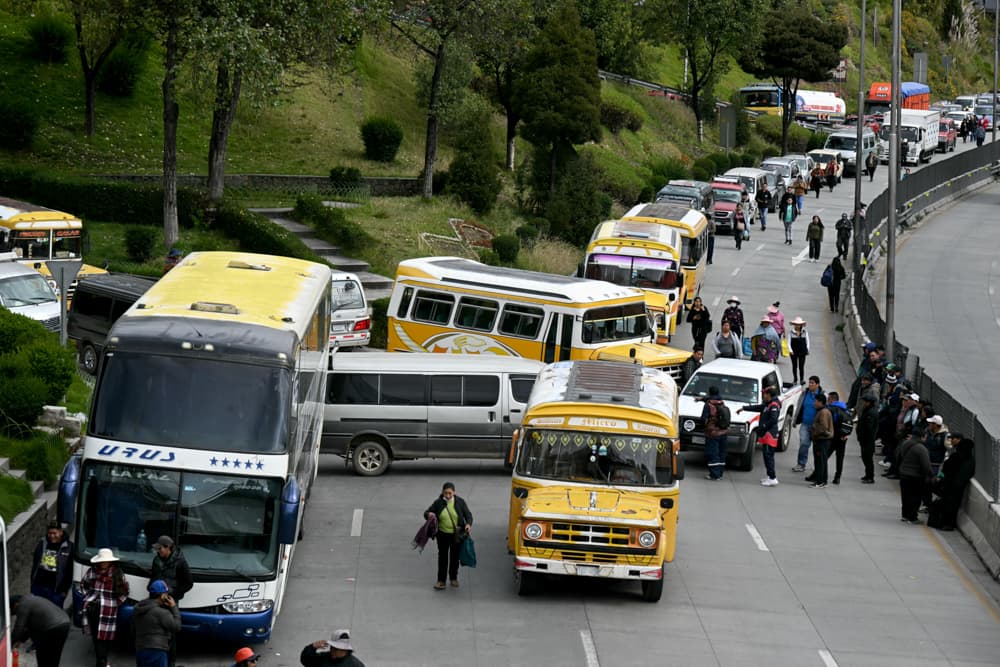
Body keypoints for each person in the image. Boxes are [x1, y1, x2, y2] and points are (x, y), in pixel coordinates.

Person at [81, 547, 130, 667]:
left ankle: (102, 662)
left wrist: (114, 603)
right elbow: (83, 585)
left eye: (105, 561)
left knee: (106, 638)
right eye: (101, 561)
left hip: (108, 610)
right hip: (93, 608)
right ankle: (102, 663)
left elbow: (124, 592)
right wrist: (89, 597)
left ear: (110, 561)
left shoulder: (117, 574)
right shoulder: (92, 571)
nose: (103, 563)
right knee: (97, 638)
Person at [424, 482, 472, 590]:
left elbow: (468, 515)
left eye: (450, 493)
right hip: (442, 535)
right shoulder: (438, 503)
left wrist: (468, 524)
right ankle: (441, 581)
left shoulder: (460, 502)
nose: (448, 496)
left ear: (454, 492)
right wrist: (429, 514)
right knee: (443, 557)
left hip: (456, 535)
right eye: (445, 493)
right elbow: (426, 512)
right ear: (442, 492)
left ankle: (453, 578)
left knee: (454, 558)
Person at [10, 593, 71, 667]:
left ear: (16, 604)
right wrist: (21, 640)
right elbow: (30, 627)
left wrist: (10, 643)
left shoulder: (23, 605)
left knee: (42, 656)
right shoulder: (31, 600)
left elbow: (18, 628)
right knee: (54, 657)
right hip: (64, 623)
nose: (16, 613)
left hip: (52, 628)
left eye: (14, 611)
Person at [132, 580, 181, 667]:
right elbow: (177, 626)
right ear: (162, 596)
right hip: (158, 650)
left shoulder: (139, 608)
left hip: (140, 649)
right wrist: (173, 607)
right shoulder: (162, 613)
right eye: (166, 593)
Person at [739, 386, 781, 486]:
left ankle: (772, 478)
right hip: (766, 433)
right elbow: (758, 407)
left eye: (764, 394)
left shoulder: (773, 405)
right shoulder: (768, 404)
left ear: (769, 395)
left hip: (769, 434)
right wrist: (744, 408)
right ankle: (769, 476)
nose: (763, 396)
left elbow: (773, 419)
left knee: (768, 456)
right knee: (766, 456)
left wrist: (764, 426)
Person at [931, 438, 975, 531]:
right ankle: (950, 524)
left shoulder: (955, 456)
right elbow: (970, 473)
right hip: (959, 487)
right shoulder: (970, 459)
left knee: (946, 504)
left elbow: (945, 469)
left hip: (948, 485)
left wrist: (940, 478)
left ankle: (942, 523)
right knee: (954, 505)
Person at [30, 520, 73, 609]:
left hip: (56, 591)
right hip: (38, 587)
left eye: (54, 533)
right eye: (50, 533)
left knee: (54, 616)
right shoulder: (42, 543)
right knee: (36, 612)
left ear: (60, 532)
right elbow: (35, 563)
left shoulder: (69, 547)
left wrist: (64, 591)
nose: (52, 536)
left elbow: (70, 571)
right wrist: (32, 583)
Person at [897, 434, 932, 524]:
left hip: (904, 473)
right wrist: (930, 475)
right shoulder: (921, 448)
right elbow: (926, 465)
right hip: (916, 476)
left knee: (905, 496)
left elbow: (898, 455)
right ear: (922, 437)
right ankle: (912, 517)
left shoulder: (905, 443)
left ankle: (905, 515)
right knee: (915, 497)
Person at [149, 535, 193, 602]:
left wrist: (174, 594)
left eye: (160, 548)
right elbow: (153, 576)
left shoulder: (180, 562)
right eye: (157, 549)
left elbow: (189, 583)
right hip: (155, 599)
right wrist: (150, 587)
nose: (158, 551)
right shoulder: (156, 560)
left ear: (168, 547)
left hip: (170, 601)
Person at [793, 376, 823, 473]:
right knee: (804, 443)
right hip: (805, 424)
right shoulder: (805, 394)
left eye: (812, 383)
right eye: (809, 382)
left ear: (817, 384)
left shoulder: (823, 395)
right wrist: (795, 420)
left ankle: (817, 467)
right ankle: (801, 464)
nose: (810, 384)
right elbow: (799, 406)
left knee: (817, 447)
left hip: (817, 427)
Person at [701, 387, 729, 481]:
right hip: (723, 432)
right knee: (721, 453)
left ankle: (714, 475)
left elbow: (703, 418)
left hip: (712, 433)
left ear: (709, 393)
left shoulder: (708, 405)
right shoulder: (722, 403)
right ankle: (720, 473)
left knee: (713, 453)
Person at [825, 391, 852, 485]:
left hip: (833, 437)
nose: (827, 401)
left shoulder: (832, 409)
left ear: (832, 399)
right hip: (843, 438)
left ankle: (818, 474)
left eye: (828, 399)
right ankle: (837, 477)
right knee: (840, 458)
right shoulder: (845, 409)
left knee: (824, 456)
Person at [856, 379, 880, 483]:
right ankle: (867, 475)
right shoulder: (868, 411)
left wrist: (863, 436)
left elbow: (869, 428)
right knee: (866, 458)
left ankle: (870, 476)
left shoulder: (871, 413)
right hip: (865, 440)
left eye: (865, 401)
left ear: (869, 402)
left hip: (867, 440)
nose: (864, 403)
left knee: (868, 459)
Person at [301, 629, 365, 667]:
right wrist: (312, 647)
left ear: (345, 650)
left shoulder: (356, 665)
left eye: (336, 649)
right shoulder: (323, 658)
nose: (332, 651)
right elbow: (306, 661)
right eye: (332, 647)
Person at [809, 393, 834, 488]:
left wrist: (814, 428)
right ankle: (822, 480)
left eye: (816, 401)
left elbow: (823, 427)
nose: (814, 403)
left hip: (822, 440)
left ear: (820, 402)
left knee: (820, 461)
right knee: (821, 461)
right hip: (822, 440)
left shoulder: (823, 412)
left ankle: (820, 481)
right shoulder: (823, 411)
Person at [787, 317, 809, 385]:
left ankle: (802, 379)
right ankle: (795, 379)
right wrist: (790, 350)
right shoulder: (791, 332)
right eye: (796, 324)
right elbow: (788, 342)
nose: (797, 326)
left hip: (802, 351)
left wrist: (807, 349)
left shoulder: (805, 332)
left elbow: (807, 341)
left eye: (799, 324)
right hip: (794, 352)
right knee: (794, 366)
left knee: (801, 366)